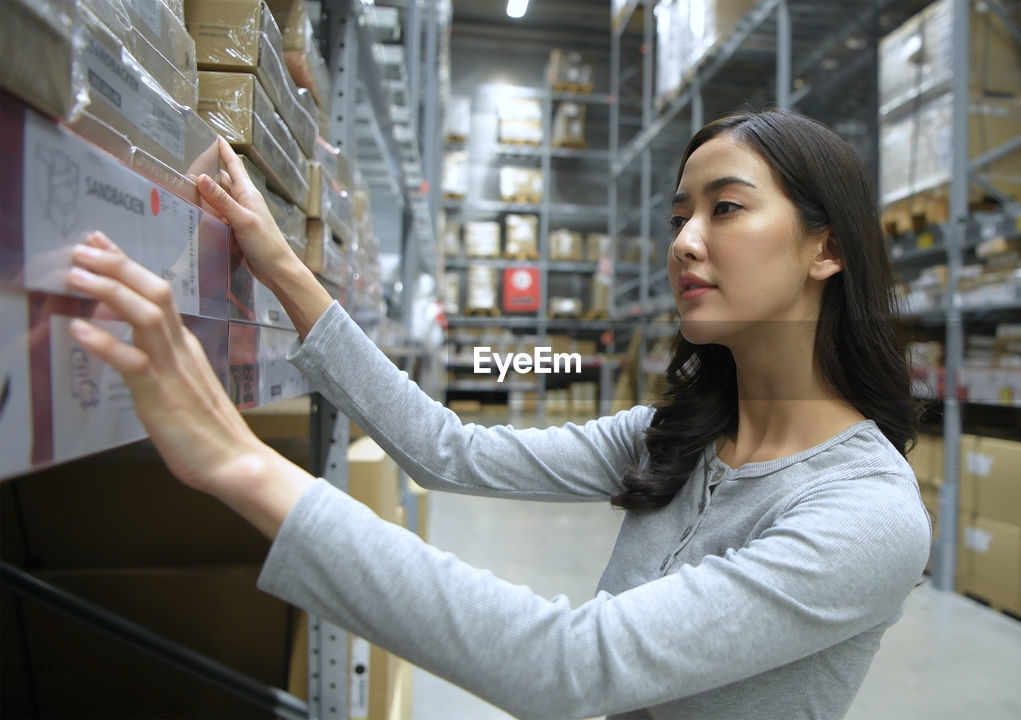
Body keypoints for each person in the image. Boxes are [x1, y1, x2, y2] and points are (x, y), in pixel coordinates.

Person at [65, 109, 931, 719]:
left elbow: (571, 666)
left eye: (726, 208)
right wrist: (286, 269)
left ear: (829, 248)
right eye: (679, 215)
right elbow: (449, 451)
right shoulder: (680, 436)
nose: (684, 241)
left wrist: (239, 461)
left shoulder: (864, 514)